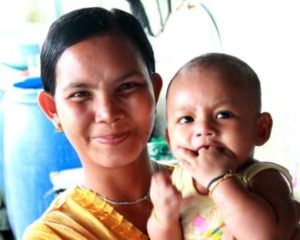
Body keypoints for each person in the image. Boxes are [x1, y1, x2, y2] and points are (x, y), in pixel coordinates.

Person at [23, 7, 165, 239]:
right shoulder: (57, 234)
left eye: (127, 86)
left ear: (154, 90)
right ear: (53, 110)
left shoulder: (207, 185)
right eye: (81, 94)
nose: (108, 113)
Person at [147, 53, 300, 240]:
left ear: (260, 129)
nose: (203, 129)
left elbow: (267, 234)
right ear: (170, 140)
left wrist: (219, 180)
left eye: (223, 115)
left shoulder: (262, 177)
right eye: (187, 119)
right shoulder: (179, 180)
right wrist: (163, 216)